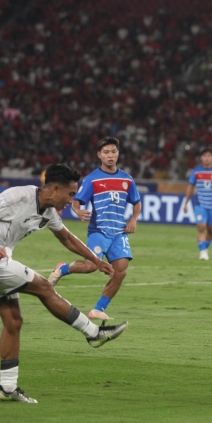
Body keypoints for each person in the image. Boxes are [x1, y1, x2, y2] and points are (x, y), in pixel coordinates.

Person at [0, 163, 129, 403]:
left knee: (14, 321)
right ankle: (93, 333)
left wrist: (95, 260)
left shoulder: (49, 212)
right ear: (55, 189)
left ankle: (7, 389)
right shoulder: (18, 195)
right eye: (71, 194)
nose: (72, 200)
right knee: (44, 286)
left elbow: (67, 238)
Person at [47, 136, 141, 320]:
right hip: (99, 231)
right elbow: (76, 202)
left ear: (118, 153)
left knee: (121, 270)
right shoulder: (92, 179)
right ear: (99, 155)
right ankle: (62, 269)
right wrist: (79, 212)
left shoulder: (127, 180)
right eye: (106, 152)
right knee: (90, 266)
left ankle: (98, 310)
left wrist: (133, 220)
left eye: (113, 151)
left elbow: (137, 203)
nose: (110, 155)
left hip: (119, 232)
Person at [183, 149, 212, 260]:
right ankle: (203, 252)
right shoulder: (196, 171)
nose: (207, 158)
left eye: (209, 156)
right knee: (201, 227)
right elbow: (190, 186)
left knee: (211, 229)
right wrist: (186, 203)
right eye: (204, 156)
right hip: (200, 204)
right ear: (201, 158)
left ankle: (205, 247)